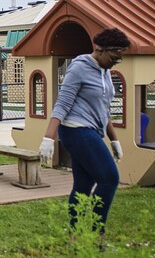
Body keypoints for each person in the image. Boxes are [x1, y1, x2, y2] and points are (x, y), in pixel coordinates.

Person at [39, 27, 131, 232]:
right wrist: (48, 138)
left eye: (119, 59)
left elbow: (103, 109)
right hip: (76, 129)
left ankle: (76, 235)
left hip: (91, 131)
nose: (116, 62)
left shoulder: (105, 72)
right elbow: (62, 104)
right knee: (109, 178)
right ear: (99, 49)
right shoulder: (79, 68)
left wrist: (114, 140)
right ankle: (96, 234)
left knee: (83, 185)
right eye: (114, 57)